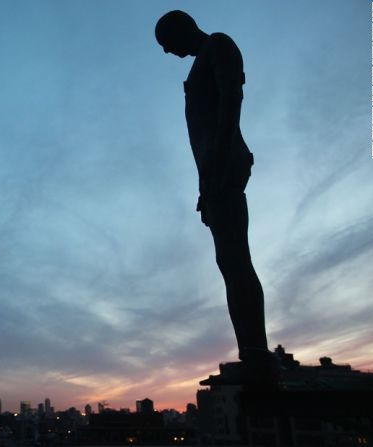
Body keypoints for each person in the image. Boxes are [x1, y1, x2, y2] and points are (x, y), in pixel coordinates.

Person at [155, 10, 277, 386]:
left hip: (224, 166)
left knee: (236, 259)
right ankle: (252, 352)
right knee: (229, 261)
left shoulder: (218, 45)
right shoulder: (201, 63)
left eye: (166, 43)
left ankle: (257, 356)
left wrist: (219, 157)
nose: (167, 53)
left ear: (181, 30)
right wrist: (204, 183)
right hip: (213, 174)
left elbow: (231, 101)